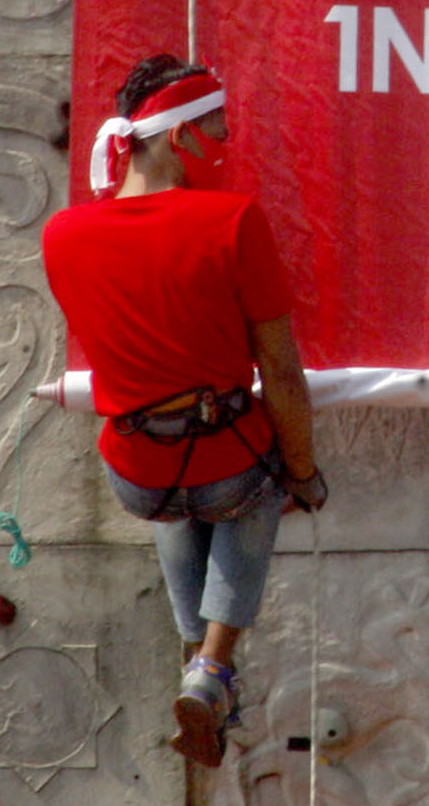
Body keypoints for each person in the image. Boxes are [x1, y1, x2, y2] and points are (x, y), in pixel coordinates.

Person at [41, 55, 326, 765]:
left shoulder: (63, 233)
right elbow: (281, 374)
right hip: (227, 460)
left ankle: (199, 666)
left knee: (178, 498)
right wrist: (303, 472)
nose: (225, 144)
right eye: (218, 130)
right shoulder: (232, 221)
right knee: (256, 479)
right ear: (180, 135)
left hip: (137, 472)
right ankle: (213, 667)